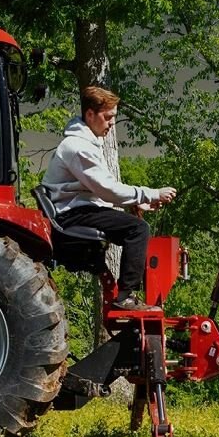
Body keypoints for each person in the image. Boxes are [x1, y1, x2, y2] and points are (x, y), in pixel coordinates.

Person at [42, 86, 176, 311]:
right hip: (70, 215)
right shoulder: (78, 148)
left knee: (135, 226)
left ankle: (124, 294)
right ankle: (125, 297)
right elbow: (107, 189)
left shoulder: (86, 143)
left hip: (76, 208)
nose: (112, 123)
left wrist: (135, 201)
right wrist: (151, 193)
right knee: (138, 229)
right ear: (90, 115)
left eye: (114, 117)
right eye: (108, 117)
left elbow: (95, 190)